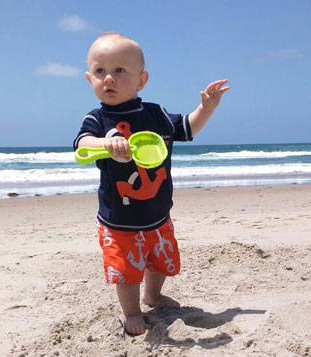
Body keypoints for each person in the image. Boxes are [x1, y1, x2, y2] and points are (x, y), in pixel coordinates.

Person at [73, 32, 229, 335]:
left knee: (161, 262)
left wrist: (207, 109)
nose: (109, 78)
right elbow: (81, 145)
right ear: (89, 77)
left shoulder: (156, 114)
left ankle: (153, 295)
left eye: (120, 70)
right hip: (119, 221)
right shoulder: (98, 119)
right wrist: (106, 143)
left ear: (141, 80)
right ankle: (132, 311)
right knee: (127, 271)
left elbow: (186, 127)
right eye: (100, 71)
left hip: (158, 215)